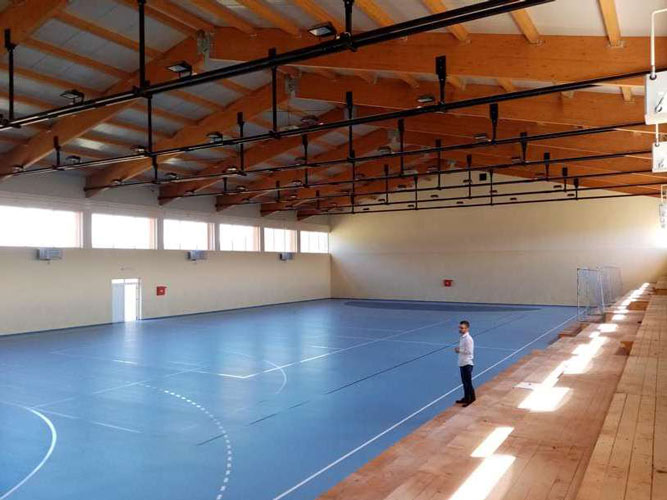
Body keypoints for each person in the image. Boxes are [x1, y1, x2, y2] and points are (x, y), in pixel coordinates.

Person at [455, 320, 476, 407]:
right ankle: (466, 397)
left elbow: (469, 351)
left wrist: (459, 350)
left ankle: (471, 398)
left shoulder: (468, 339)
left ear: (467, 328)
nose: (460, 329)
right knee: (464, 382)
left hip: (467, 363)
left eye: (462, 328)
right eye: (460, 327)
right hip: (462, 362)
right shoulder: (462, 337)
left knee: (468, 382)